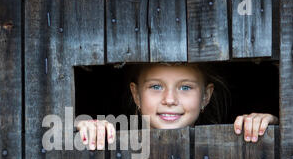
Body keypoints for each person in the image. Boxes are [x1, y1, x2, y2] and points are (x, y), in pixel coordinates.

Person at [76, 62, 278, 150]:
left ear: (206, 96)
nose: (170, 99)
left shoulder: (231, 144)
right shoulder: (113, 143)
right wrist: (87, 131)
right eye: (156, 86)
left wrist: (269, 128)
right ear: (136, 95)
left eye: (185, 87)